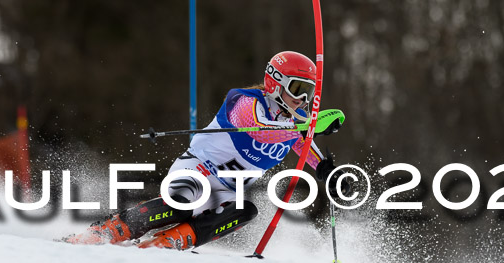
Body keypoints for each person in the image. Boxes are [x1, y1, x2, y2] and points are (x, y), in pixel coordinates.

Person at [63, 51, 349, 249]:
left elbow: (306, 146)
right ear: (275, 82)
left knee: (245, 211)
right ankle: (108, 231)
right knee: (182, 204)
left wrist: (328, 172)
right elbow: (262, 130)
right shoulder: (245, 102)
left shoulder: (295, 123)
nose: (302, 98)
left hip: (226, 190)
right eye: (297, 88)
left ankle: (172, 241)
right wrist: (308, 125)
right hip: (198, 170)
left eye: (308, 92)